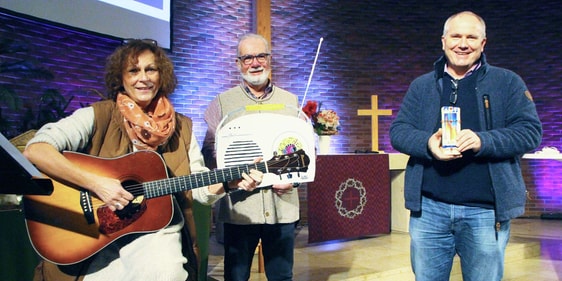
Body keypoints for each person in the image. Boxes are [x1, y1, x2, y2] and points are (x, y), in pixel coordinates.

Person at [23, 39, 263, 281]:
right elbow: (37, 150)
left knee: (167, 273)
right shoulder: (98, 115)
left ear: (162, 75)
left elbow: (200, 188)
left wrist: (230, 183)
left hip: (156, 230)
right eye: (134, 70)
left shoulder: (181, 127)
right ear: (121, 77)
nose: (143, 78)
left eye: (151, 69)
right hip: (97, 236)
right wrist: (96, 184)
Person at [390, 11, 542, 281]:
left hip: (484, 211)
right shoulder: (422, 85)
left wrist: (483, 140)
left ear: (483, 44)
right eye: (456, 36)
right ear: (443, 41)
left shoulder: (507, 82)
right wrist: (428, 144)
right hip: (429, 210)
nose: (463, 43)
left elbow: (530, 133)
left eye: (471, 37)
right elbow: (399, 132)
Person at [202, 33, 300, 281]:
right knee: (236, 277)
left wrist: (294, 180)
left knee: (281, 276)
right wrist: (230, 179)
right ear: (238, 63)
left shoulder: (290, 101)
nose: (255, 63)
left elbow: (305, 151)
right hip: (240, 209)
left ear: (270, 59)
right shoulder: (222, 104)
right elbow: (209, 154)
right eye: (247, 58)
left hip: (282, 206)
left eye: (261, 56)